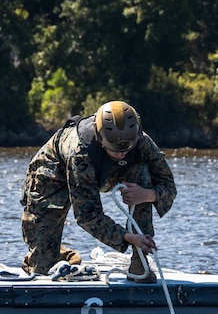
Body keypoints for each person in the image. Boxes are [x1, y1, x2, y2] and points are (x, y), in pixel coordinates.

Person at [20, 100, 176, 281]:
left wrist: (147, 195)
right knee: (42, 267)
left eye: (126, 149)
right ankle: (55, 253)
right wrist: (127, 237)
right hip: (54, 176)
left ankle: (139, 260)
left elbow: (168, 184)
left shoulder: (140, 140)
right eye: (115, 149)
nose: (121, 154)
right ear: (100, 138)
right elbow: (87, 215)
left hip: (108, 171)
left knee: (142, 172)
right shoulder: (79, 152)